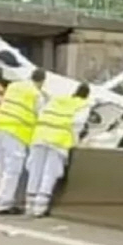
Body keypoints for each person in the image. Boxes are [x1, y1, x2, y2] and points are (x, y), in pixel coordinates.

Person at [25, 82, 92, 218]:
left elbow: (41, 112)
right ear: (86, 96)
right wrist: (75, 142)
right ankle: (39, 208)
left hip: (40, 135)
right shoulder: (83, 105)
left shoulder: (57, 100)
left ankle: (29, 204)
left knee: (35, 170)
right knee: (50, 173)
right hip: (58, 140)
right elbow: (77, 124)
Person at [0, 67, 48, 215]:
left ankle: (3, 199)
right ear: (41, 81)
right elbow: (41, 117)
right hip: (16, 133)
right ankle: (3, 204)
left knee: (2, 167)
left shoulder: (14, 86)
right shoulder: (36, 95)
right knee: (13, 169)